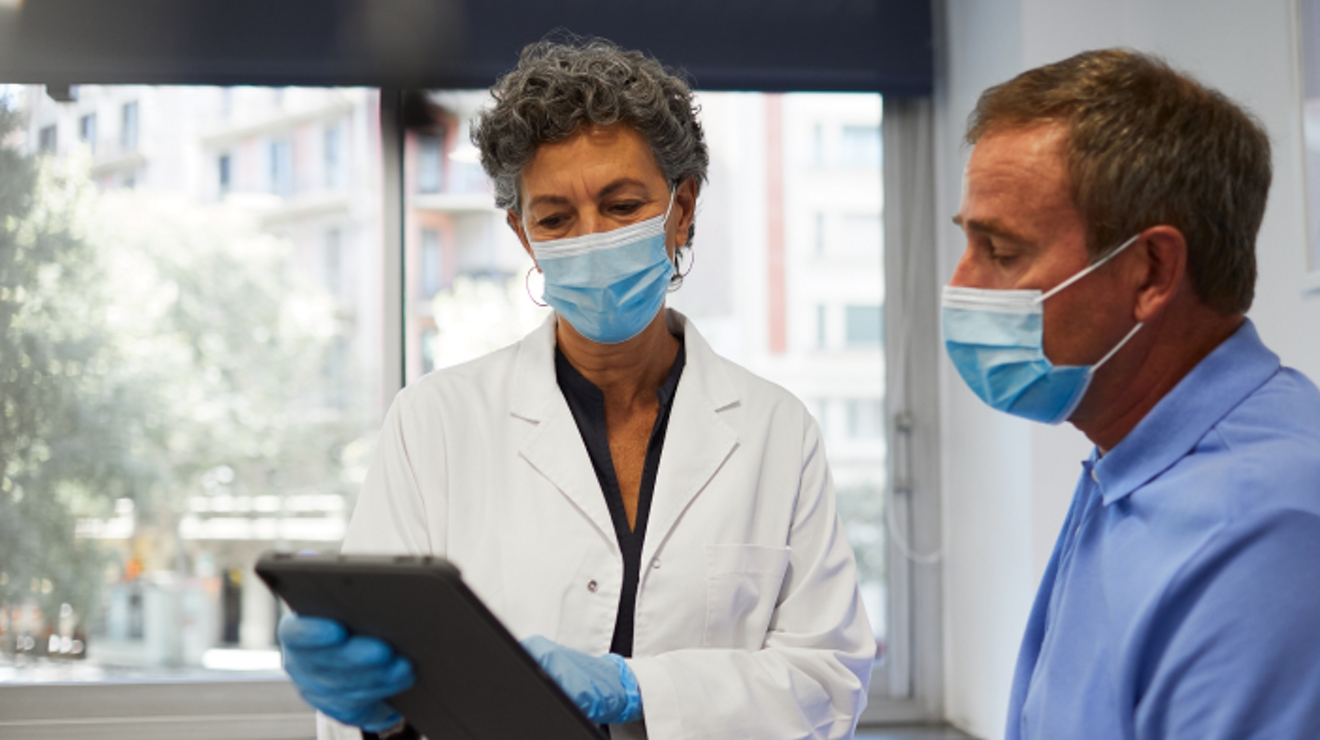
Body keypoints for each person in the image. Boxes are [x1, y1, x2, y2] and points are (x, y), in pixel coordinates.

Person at [279, 38, 874, 740]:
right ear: (523, 235)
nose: (590, 239)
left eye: (622, 205)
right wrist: (357, 692)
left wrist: (639, 688)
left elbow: (828, 678)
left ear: (681, 208)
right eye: (556, 218)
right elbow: (385, 682)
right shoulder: (436, 421)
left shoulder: (777, 430)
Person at [946, 49, 1320, 739]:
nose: (961, 284)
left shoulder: (1265, 529)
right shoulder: (1134, 464)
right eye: (967, 244)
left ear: (1150, 271)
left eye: (1000, 252)